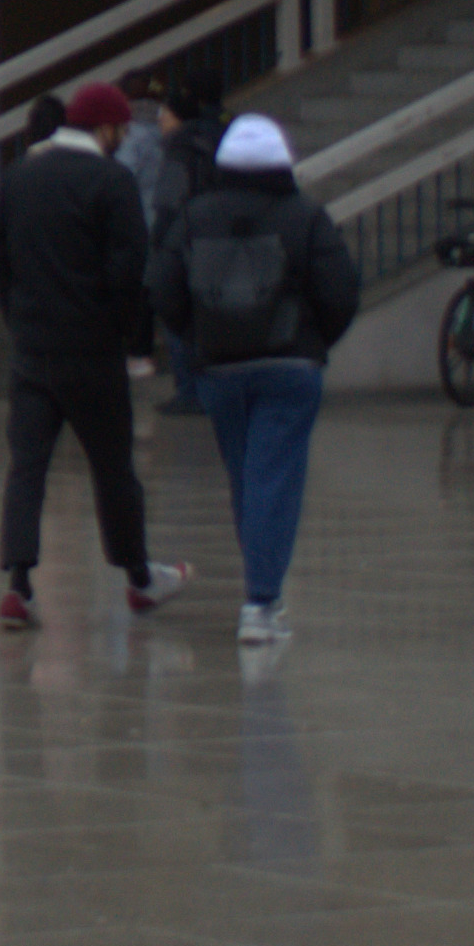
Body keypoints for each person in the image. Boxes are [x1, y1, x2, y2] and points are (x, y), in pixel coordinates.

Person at [156, 112, 365, 647]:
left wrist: (197, 339)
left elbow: (163, 289)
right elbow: (340, 292)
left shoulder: (194, 215)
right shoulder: (306, 216)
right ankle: (261, 601)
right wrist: (313, 345)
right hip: (289, 368)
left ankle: (262, 590)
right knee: (275, 478)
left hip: (220, 369)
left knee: (247, 477)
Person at [0, 85, 174, 628]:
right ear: (107, 129)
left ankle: (19, 586)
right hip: (91, 351)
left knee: (26, 468)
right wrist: (117, 329)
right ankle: (138, 577)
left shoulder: (19, 176)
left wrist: (19, 319)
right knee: (112, 469)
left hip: (33, 349)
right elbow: (130, 265)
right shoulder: (112, 181)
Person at [120, 90, 202, 408]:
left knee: (162, 301)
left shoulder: (173, 150)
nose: (161, 121)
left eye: (165, 116)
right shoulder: (189, 145)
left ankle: (186, 388)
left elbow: (127, 177)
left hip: (159, 229)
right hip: (187, 233)